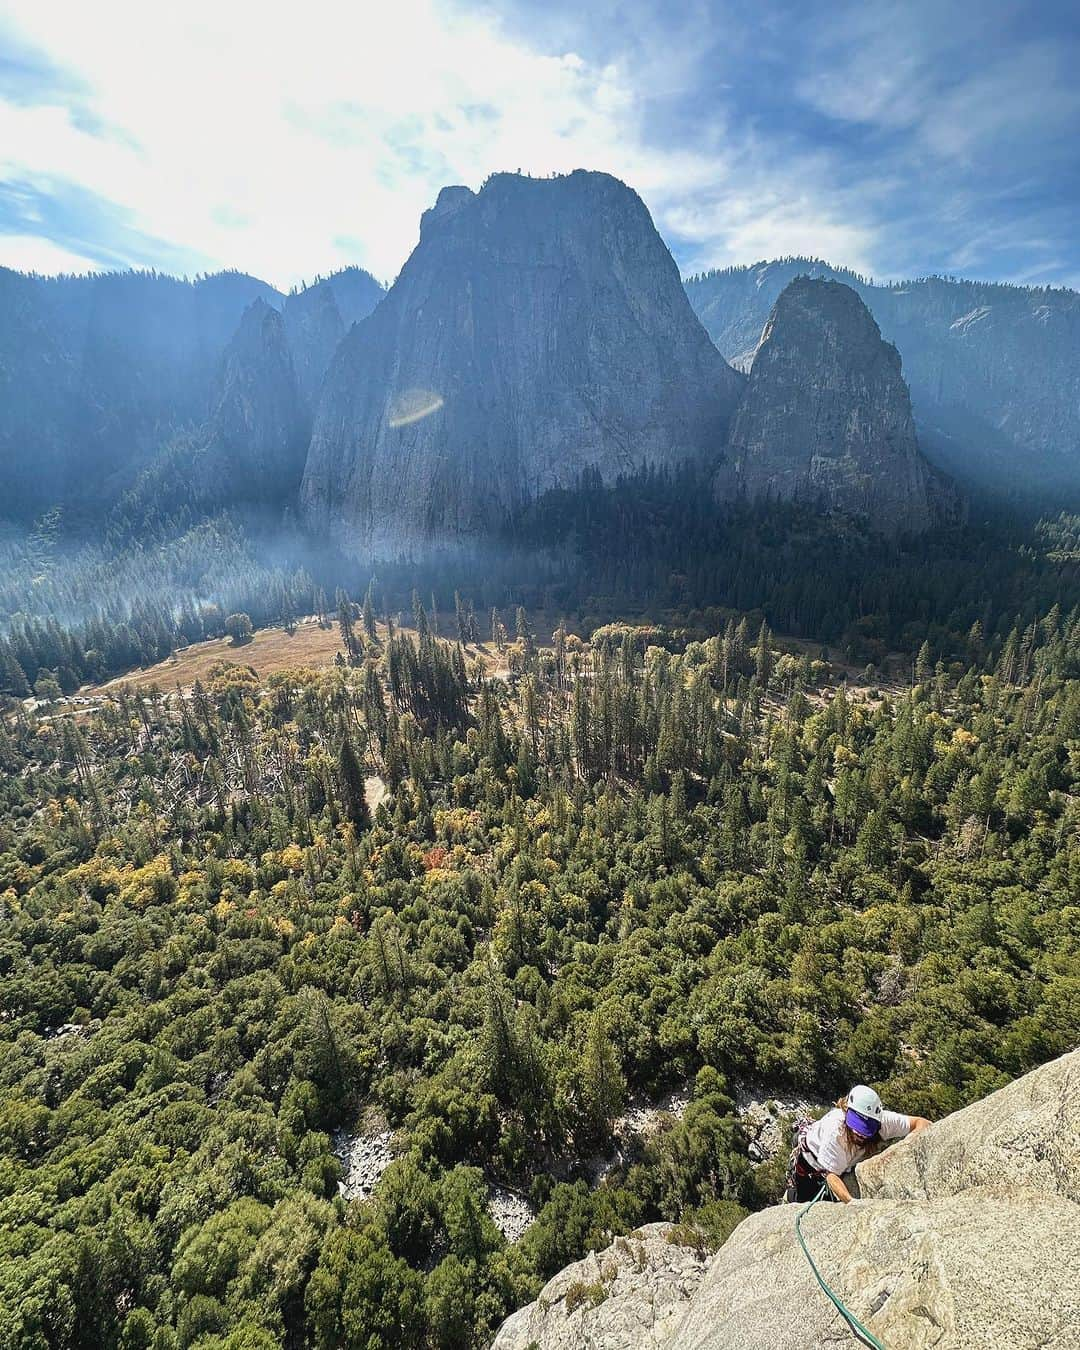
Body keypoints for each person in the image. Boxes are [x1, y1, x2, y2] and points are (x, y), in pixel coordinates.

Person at [786, 1084, 931, 1203]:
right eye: (857, 1127)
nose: (860, 1134)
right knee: (803, 1200)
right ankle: (790, 1196)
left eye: (866, 1129)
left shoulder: (883, 1122)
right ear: (846, 1111)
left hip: (840, 1162)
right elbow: (831, 1175)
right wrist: (852, 1203)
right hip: (811, 1161)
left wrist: (908, 1144)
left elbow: (922, 1122)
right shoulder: (836, 1130)